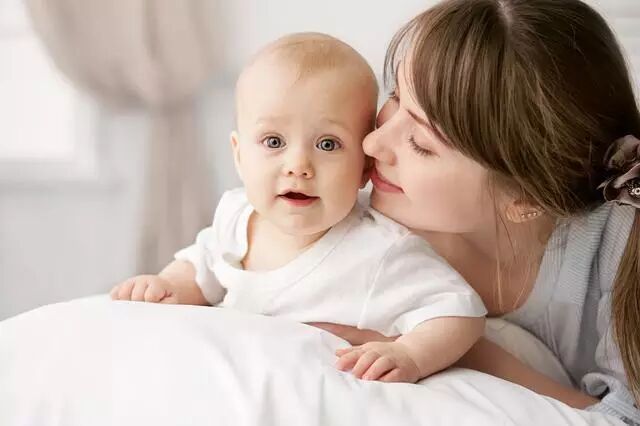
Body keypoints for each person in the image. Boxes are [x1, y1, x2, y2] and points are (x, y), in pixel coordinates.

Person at [310, 0, 640, 424]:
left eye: (421, 144)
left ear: (525, 199)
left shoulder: (621, 246)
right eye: (395, 96)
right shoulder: (365, 228)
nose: (372, 144)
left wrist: (447, 345)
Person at [110, 32, 487, 383]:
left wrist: (410, 354)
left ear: (364, 168)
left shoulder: (378, 251)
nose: (298, 166)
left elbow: (459, 312)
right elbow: (202, 266)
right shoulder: (236, 215)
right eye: (274, 142)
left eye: (327, 144)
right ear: (239, 156)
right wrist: (170, 285)